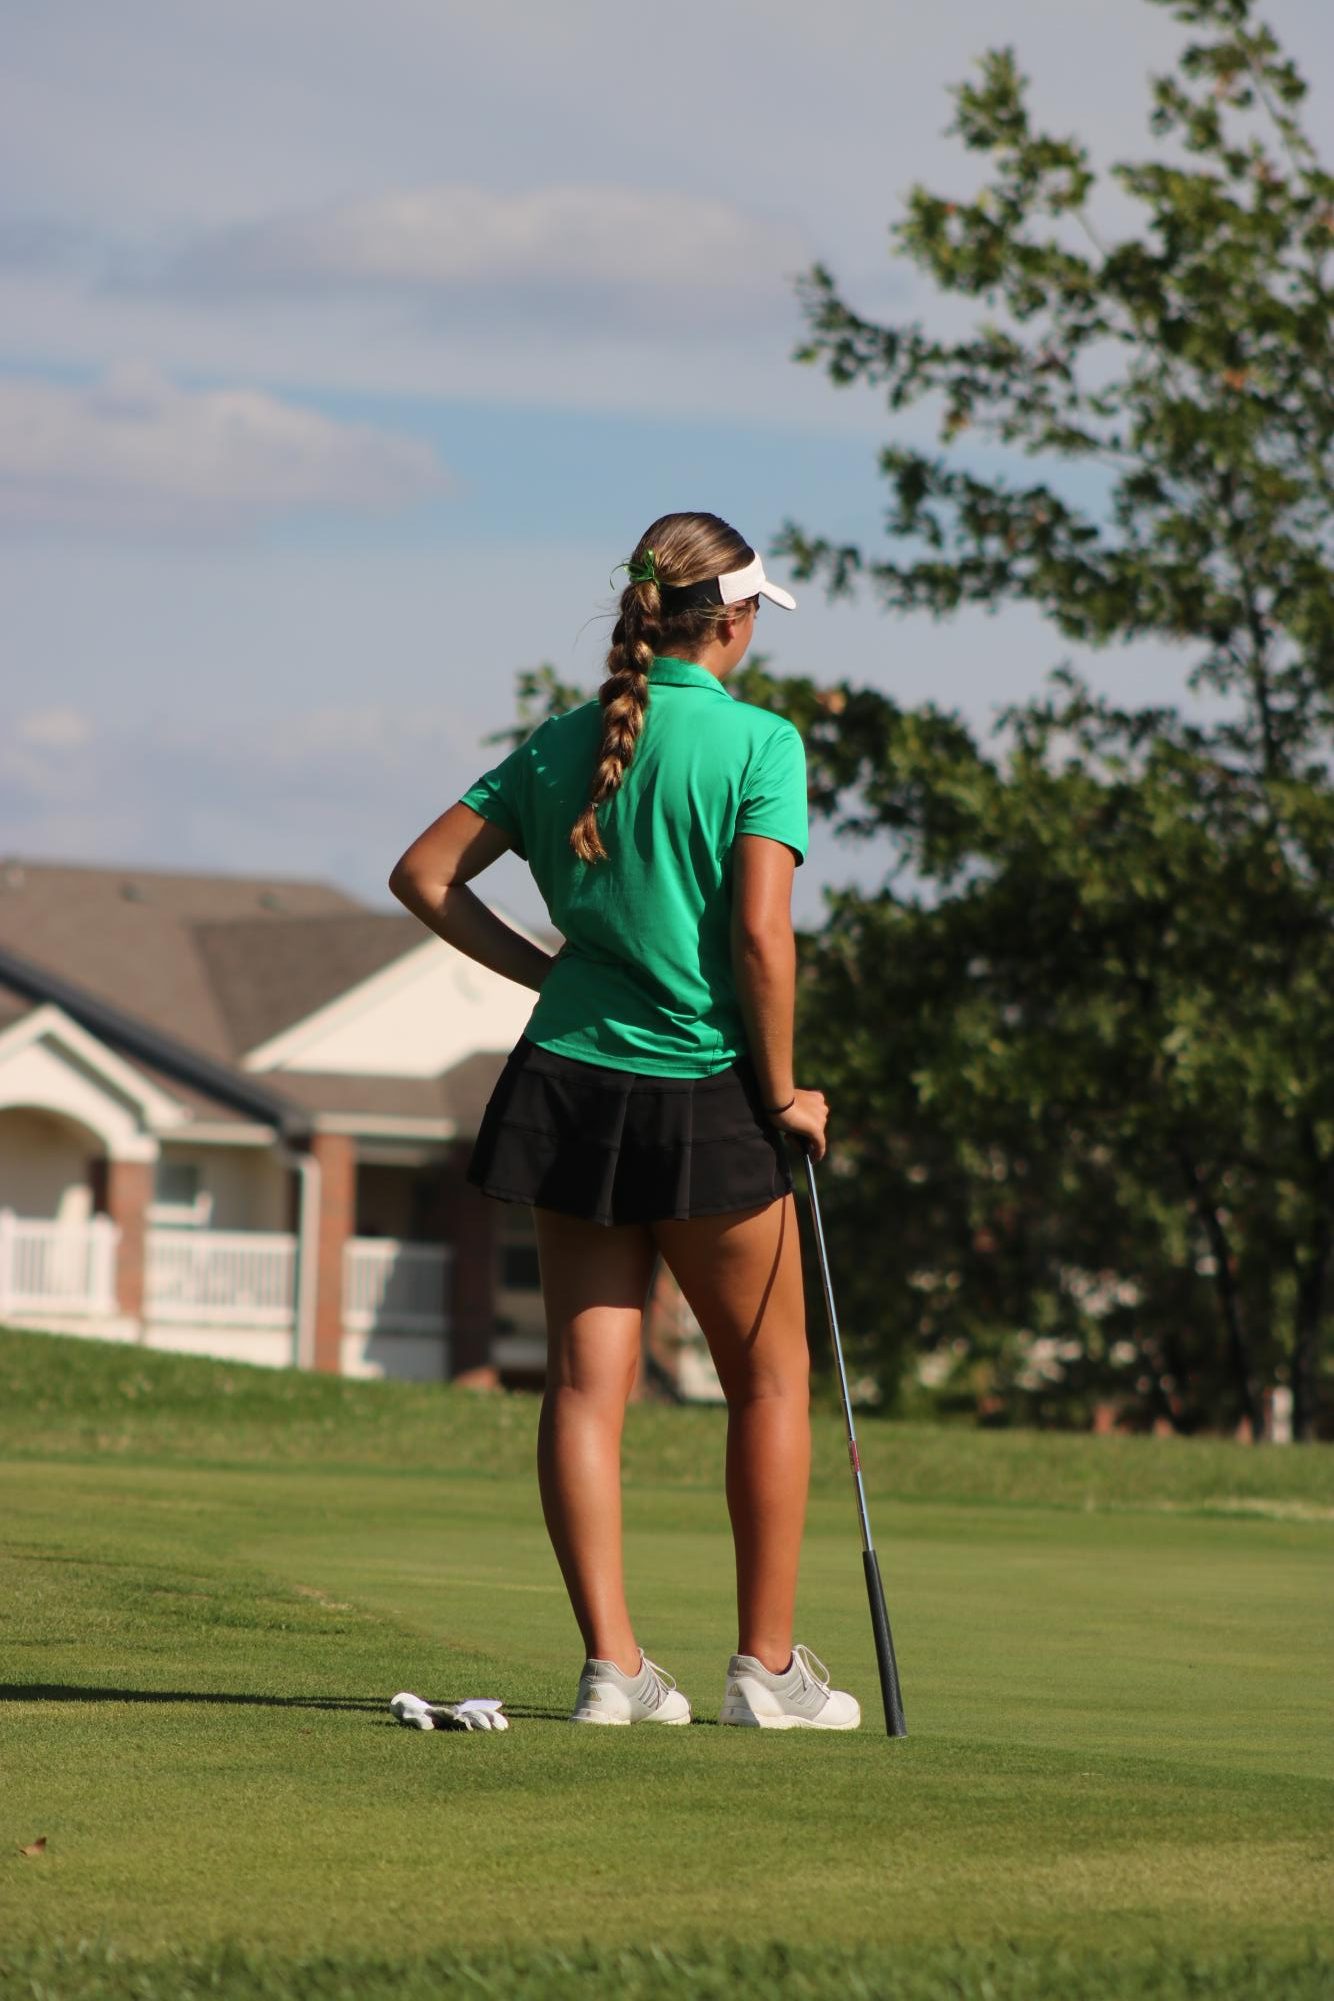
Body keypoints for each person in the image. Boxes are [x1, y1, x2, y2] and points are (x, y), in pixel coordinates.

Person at [388, 510, 860, 1731]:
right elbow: (759, 936)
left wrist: (549, 973)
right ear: (737, 619)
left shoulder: (559, 741)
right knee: (765, 1380)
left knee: (586, 1389)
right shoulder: (758, 743)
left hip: (566, 1083)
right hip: (704, 1086)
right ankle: (764, 1672)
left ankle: (614, 1670)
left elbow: (425, 875)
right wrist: (786, 1091)